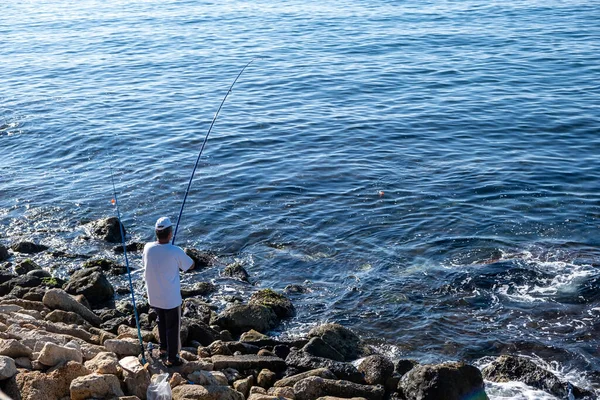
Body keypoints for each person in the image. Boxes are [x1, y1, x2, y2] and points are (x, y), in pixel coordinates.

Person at [143, 216, 194, 366]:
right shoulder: (175, 251)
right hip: (171, 299)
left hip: (154, 296)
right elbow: (190, 265)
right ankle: (172, 358)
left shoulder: (147, 248)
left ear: (156, 233)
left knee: (161, 321)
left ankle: (163, 349)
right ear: (170, 233)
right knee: (173, 327)